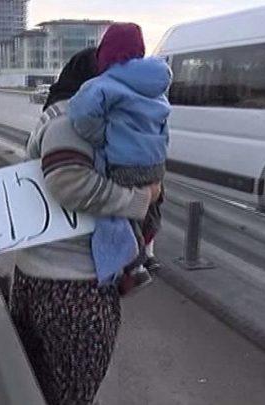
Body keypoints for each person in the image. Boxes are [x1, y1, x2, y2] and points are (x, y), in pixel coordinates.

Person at [10, 49, 162, 405]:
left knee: (39, 389)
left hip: (35, 279)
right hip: (76, 294)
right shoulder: (72, 120)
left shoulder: (54, 118)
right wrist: (141, 199)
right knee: (72, 396)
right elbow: (67, 181)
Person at [68, 23, 171, 290]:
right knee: (150, 203)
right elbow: (163, 124)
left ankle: (128, 266)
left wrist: (101, 136)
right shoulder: (156, 84)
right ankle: (148, 250)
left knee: (116, 213)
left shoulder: (103, 84)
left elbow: (80, 114)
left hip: (123, 162)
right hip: (155, 163)